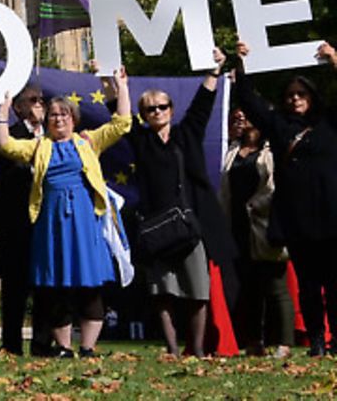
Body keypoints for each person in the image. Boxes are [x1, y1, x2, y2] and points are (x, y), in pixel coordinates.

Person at [0, 68, 132, 357]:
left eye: (64, 114)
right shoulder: (39, 147)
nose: (58, 119)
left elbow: (122, 123)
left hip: (84, 222)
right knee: (56, 286)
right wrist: (3, 111)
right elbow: (6, 145)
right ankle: (65, 347)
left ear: (73, 119)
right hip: (51, 224)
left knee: (90, 283)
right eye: (53, 115)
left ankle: (88, 347)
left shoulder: (88, 142)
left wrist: (120, 87)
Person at [125, 50, 234, 357]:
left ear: (171, 110)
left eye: (162, 107)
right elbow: (118, 115)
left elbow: (202, 106)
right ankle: (171, 349)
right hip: (157, 228)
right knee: (163, 292)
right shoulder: (142, 140)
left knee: (198, 290)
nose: (157, 112)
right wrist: (114, 84)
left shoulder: (187, 135)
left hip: (189, 226)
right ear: (144, 115)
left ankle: (196, 348)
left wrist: (215, 70)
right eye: (150, 109)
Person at [234, 40, 337, 355]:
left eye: (301, 94)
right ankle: (317, 341)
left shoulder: (329, 122)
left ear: (311, 97)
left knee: (335, 283)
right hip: (297, 216)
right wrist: (241, 65)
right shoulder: (277, 125)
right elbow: (248, 101)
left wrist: (335, 61)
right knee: (307, 284)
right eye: (290, 95)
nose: (295, 99)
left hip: (332, 214)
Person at [0, 72, 50, 356]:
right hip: (16, 223)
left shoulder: (54, 137)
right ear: (19, 106)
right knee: (15, 288)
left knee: (45, 286)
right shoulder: (11, 135)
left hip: (46, 223)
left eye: (42, 101)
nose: (39, 106)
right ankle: (11, 344)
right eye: (33, 100)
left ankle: (43, 343)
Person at [221, 103, 292, 356]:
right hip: (237, 226)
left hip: (265, 223)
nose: (241, 115)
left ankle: (284, 343)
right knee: (248, 286)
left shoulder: (272, 149)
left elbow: (277, 185)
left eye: (246, 112)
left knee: (275, 283)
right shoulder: (232, 151)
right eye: (236, 113)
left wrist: (256, 205)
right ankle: (253, 342)